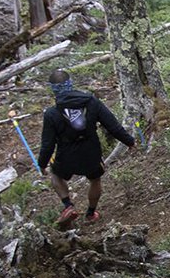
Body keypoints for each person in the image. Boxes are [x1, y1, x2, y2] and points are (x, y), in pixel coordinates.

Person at [37, 69, 135, 229]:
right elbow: (112, 125)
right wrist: (129, 141)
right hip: (91, 151)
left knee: (55, 175)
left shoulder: (51, 113)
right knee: (95, 180)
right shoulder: (91, 101)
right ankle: (90, 213)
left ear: (53, 89)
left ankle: (68, 206)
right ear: (70, 83)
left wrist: (42, 164)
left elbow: (48, 144)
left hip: (66, 154)